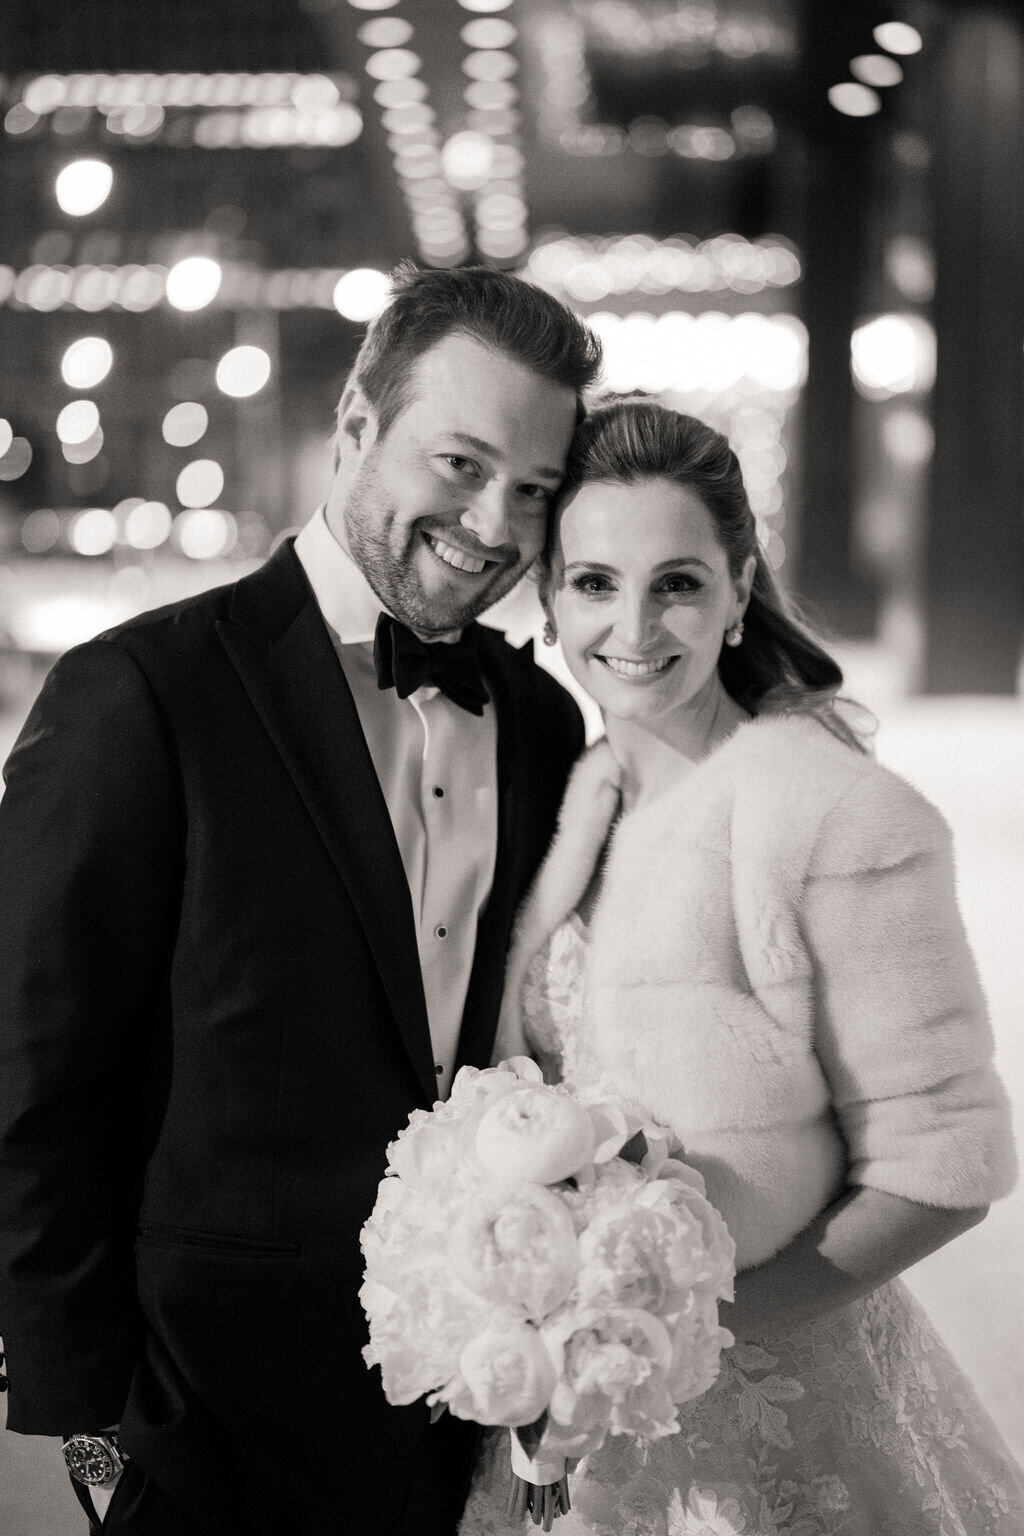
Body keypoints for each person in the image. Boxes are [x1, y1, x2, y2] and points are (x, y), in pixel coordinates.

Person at [0, 263, 602, 1536]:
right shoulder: (140, 694)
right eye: (462, 463)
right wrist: (94, 1433)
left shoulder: (546, 722)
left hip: (465, 1420)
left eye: (536, 490)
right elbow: (32, 1077)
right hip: (202, 1424)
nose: (496, 524)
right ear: (355, 428)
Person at [458, 399, 1024, 1535]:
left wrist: (674, 1341)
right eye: (593, 582)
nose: (633, 624)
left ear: (737, 590)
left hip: (776, 1428)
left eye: (677, 581)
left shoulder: (831, 813)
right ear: (549, 598)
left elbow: (949, 1164)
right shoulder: (580, 797)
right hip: (583, 1433)